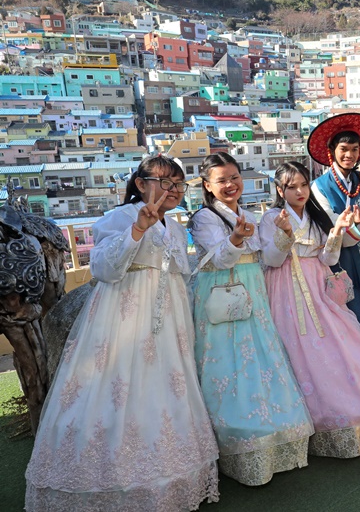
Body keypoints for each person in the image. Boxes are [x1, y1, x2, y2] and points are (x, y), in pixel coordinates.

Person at [26, 155, 219, 511]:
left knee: (166, 387)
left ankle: (170, 478)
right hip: (124, 315)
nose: (173, 190)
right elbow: (102, 267)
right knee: (115, 386)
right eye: (165, 182)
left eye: (178, 184)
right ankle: (105, 482)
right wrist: (137, 231)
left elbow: (180, 274)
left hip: (169, 319)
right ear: (141, 183)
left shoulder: (175, 226)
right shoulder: (118, 217)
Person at [188, 152, 314, 486]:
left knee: (260, 356)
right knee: (226, 361)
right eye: (221, 180)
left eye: (234, 178)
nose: (230, 185)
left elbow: (271, 259)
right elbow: (221, 259)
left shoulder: (248, 213)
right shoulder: (204, 218)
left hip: (253, 290)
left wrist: (285, 236)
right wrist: (236, 238)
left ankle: (273, 429)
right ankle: (236, 436)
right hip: (221, 291)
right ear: (207, 186)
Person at [260, 161, 360, 458]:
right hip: (287, 288)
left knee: (345, 344)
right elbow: (272, 260)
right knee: (303, 350)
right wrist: (284, 234)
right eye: (291, 186)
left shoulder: (314, 215)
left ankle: (357, 412)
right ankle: (317, 421)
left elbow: (328, 258)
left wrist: (336, 233)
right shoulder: (272, 216)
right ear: (279, 189)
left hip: (318, 284)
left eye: (303, 184)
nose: (299, 191)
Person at [309, 113, 360, 334]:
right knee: (346, 314)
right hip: (339, 258)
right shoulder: (319, 186)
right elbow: (330, 225)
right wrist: (355, 226)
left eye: (354, 150)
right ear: (332, 151)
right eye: (343, 149)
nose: (349, 155)